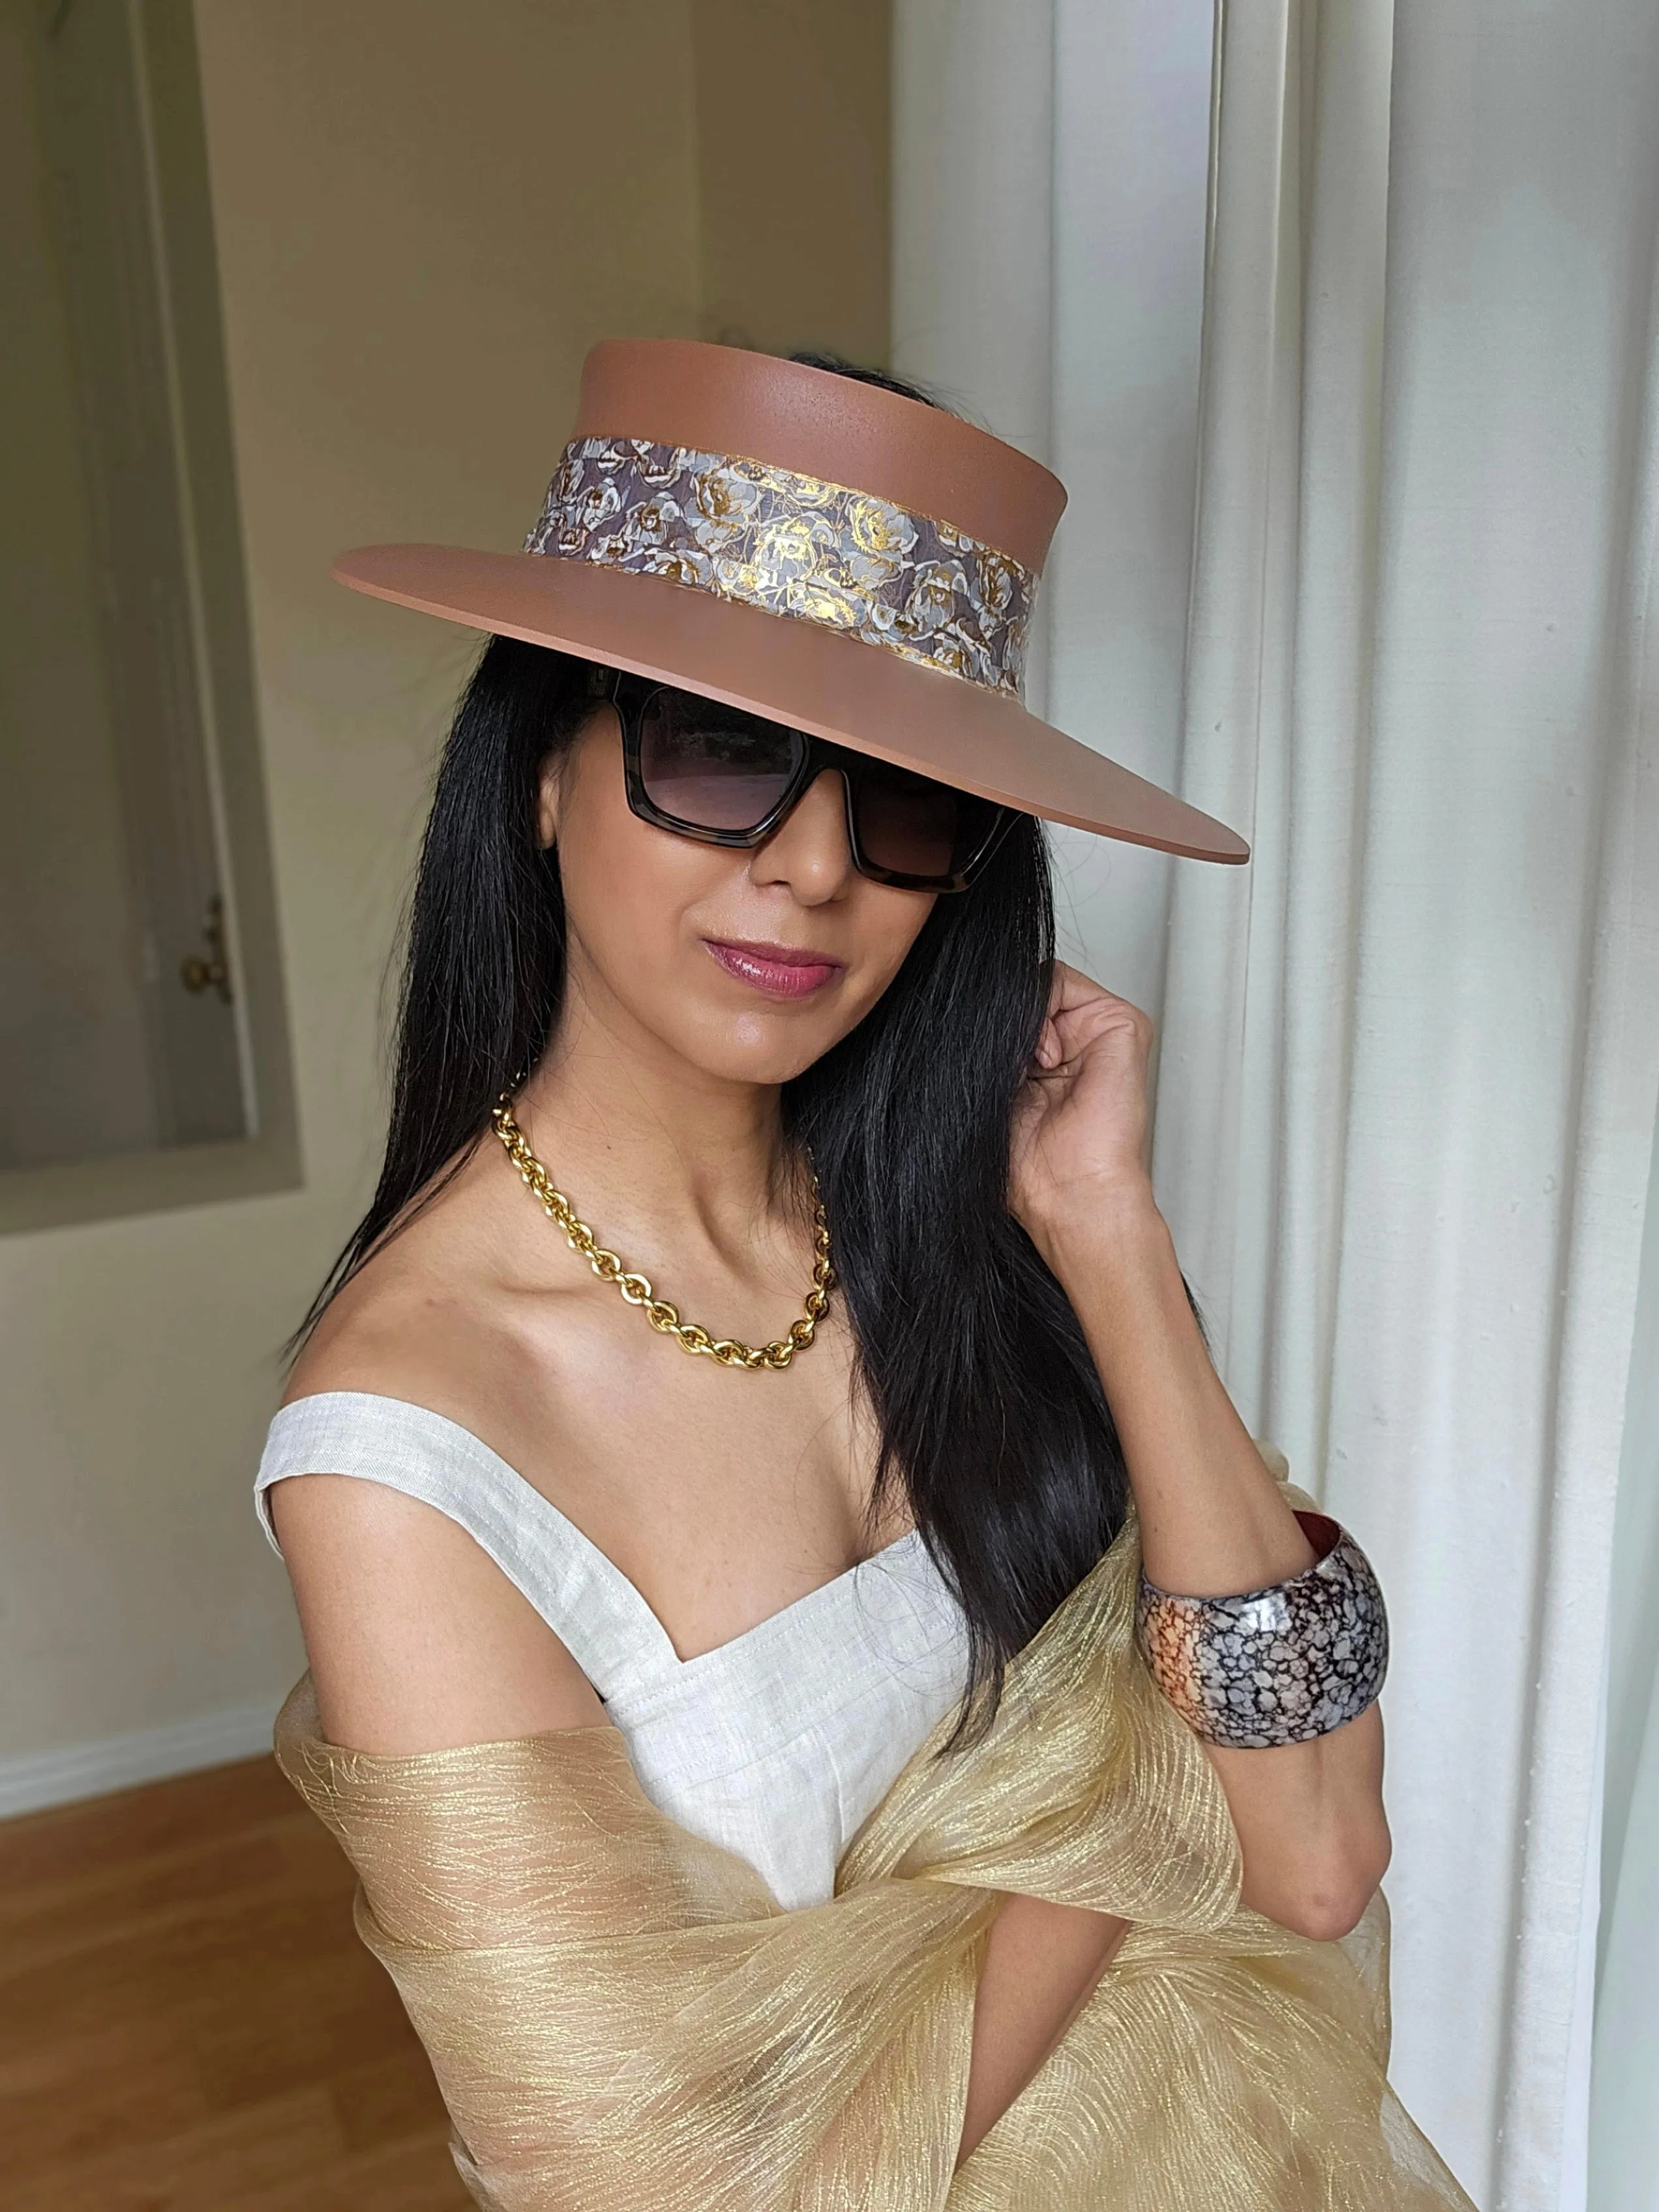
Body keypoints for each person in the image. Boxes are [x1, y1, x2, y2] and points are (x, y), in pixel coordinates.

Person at [260, 341, 1472, 2207]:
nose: (817, 864)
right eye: (721, 756)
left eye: (910, 801)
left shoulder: (979, 1238)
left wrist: (1110, 1235)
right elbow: (661, 2188)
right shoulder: (408, 1447)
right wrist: (1135, 1807)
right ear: (546, 780)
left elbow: (1314, 1854)